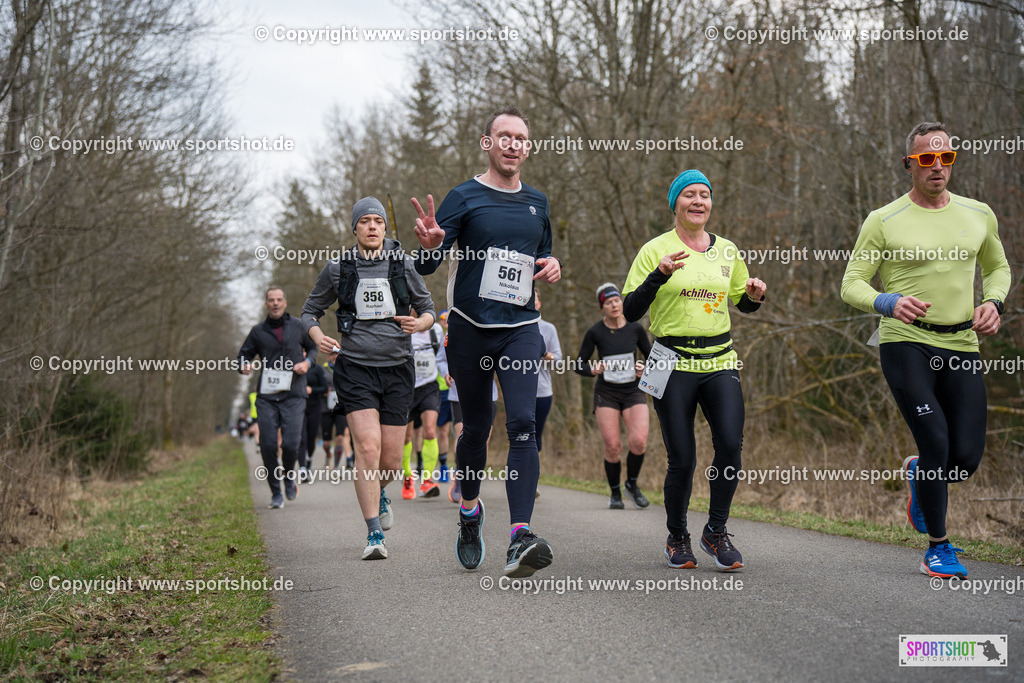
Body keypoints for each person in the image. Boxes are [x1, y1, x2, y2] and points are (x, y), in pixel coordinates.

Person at [841, 122, 1011, 579]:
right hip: (905, 341)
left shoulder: (979, 213)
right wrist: (888, 301)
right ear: (909, 165)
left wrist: (993, 302)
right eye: (926, 159)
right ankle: (938, 546)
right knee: (935, 440)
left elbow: (997, 268)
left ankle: (920, 474)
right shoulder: (883, 220)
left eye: (946, 158)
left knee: (967, 457)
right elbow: (851, 283)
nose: (938, 167)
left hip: (962, 342)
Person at [412, 105, 561, 578]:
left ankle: (520, 535)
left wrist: (551, 266)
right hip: (470, 328)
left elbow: (542, 256)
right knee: (476, 430)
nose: (513, 144)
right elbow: (427, 265)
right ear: (487, 143)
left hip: (520, 328)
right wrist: (432, 246)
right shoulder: (464, 197)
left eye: (521, 137)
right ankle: (470, 511)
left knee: (523, 424)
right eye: (505, 136)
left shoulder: (538, 202)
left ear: (529, 147)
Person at [623, 170, 766, 571]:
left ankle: (715, 532)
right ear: (675, 204)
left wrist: (754, 296)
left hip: (720, 359)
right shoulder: (655, 249)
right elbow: (631, 310)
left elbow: (742, 301)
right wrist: (660, 275)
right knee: (682, 458)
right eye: (689, 195)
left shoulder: (727, 251)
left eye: (705, 195)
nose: (698, 201)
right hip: (669, 360)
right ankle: (677, 537)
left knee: (730, 446)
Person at [302, 197, 435, 560]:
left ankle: (380, 492)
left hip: (397, 369)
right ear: (355, 228)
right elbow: (310, 312)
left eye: (378, 220)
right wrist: (318, 337)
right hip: (355, 368)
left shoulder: (403, 264)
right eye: (365, 221)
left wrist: (418, 323)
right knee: (368, 449)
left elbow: (429, 311)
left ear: (385, 229)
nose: (373, 226)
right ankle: (374, 533)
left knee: (390, 462)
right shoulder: (338, 268)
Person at [239, 286, 317, 509]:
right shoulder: (258, 331)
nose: (275, 303)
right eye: (271, 300)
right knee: (268, 444)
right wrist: (244, 365)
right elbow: (244, 353)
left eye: (279, 299)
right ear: (266, 304)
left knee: (292, 443)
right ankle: (275, 492)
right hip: (267, 396)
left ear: (284, 302)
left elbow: (313, 348)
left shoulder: (299, 326)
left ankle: (289, 478)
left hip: (294, 394)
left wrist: (307, 363)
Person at [575, 282, 652, 510]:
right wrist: (592, 370)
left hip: (633, 390)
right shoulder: (595, 332)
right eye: (608, 302)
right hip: (606, 393)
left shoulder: (635, 329)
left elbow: (652, 359)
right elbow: (579, 363)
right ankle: (615, 492)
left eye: (617, 300)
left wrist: (643, 369)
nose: (614, 305)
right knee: (612, 446)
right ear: (603, 307)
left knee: (638, 442)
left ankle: (632, 484)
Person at [438, 341, 498, 505]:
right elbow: (441, 360)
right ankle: (461, 475)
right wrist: (447, 372)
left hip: (488, 395)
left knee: (483, 441)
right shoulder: (454, 331)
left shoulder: (493, 331)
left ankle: (474, 483)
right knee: (462, 436)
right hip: (459, 394)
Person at [402, 307, 445, 499]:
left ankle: (427, 480)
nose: (419, 315)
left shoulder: (436, 330)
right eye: (415, 311)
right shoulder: (404, 331)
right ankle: (407, 477)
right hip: (407, 389)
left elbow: (444, 356)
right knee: (406, 437)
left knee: (430, 431)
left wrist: (449, 373)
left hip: (429, 386)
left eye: (423, 312)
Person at [534, 291, 561, 458]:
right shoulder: (512, 327)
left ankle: (531, 479)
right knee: (519, 434)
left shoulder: (548, 328)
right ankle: (518, 476)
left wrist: (545, 354)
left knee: (535, 434)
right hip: (517, 390)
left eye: (534, 298)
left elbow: (559, 361)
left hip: (542, 391)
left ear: (539, 303)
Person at [298, 358, 329, 483]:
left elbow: (325, 388)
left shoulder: (317, 369)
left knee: (311, 437)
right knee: (302, 437)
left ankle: (309, 459)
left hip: (315, 406)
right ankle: (302, 468)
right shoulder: (294, 367)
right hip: (299, 406)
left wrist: (312, 390)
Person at [321, 359, 353, 470]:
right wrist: (322, 390)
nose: (334, 357)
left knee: (340, 437)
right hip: (326, 408)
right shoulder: (322, 369)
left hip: (341, 407)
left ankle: (336, 466)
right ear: (327, 355)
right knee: (326, 443)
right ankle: (328, 453)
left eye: (336, 354)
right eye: (331, 354)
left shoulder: (346, 368)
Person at [435, 310, 453, 482]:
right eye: (443, 319)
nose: (446, 322)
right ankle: (443, 466)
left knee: (462, 429)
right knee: (443, 429)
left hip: (459, 389)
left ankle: (463, 469)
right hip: (441, 389)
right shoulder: (435, 335)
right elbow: (438, 360)